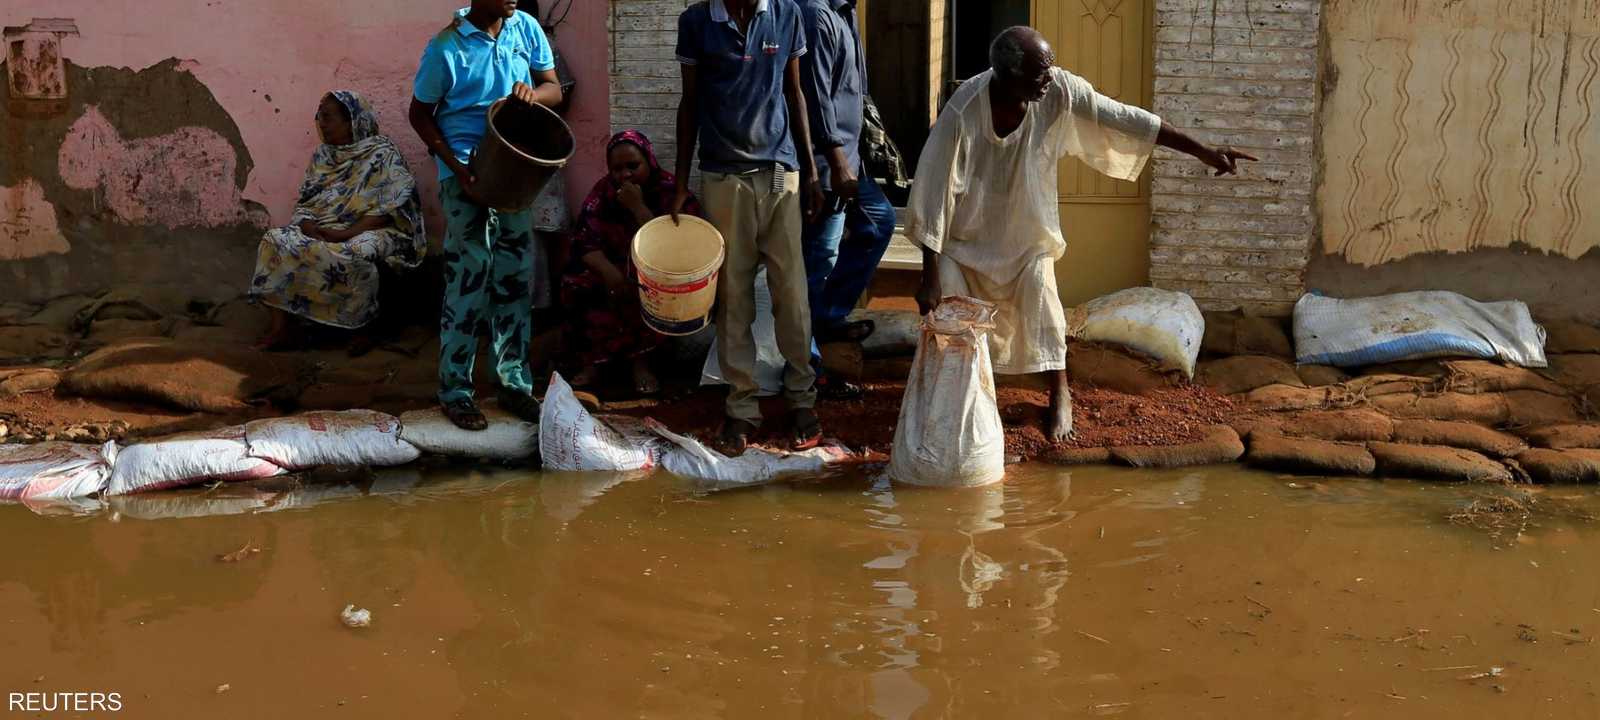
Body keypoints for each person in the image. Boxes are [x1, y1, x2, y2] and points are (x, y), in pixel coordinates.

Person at [906, 26, 1255, 442]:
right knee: (960, 324)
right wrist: (928, 274)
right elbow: (931, 191)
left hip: (1026, 238)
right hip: (964, 243)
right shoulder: (963, 111)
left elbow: (1125, 117)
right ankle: (966, 405)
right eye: (1039, 75)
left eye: (1050, 70)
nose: (1049, 79)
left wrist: (1203, 150)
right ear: (1008, 76)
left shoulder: (1058, 90)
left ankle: (1060, 394)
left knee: (1046, 312)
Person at [673, 0, 828, 454]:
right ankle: (741, 407)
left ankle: (801, 398)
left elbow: (794, 93)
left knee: (792, 295)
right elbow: (691, 103)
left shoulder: (786, 14)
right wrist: (681, 183)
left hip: (782, 176)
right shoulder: (697, 22)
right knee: (733, 297)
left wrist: (812, 172)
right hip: (723, 176)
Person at [409, 0, 563, 431]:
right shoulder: (446, 48)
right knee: (469, 276)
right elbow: (419, 114)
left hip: (515, 170)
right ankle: (455, 392)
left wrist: (533, 94)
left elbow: (554, 87)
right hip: (465, 172)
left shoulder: (525, 28)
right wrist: (458, 170)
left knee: (514, 277)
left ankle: (513, 385)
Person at [250, 91, 426, 354]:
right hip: (326, 226)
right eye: (319, 116)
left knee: (357, 250)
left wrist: (346, 233)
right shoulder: (324, 156)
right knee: (274, 240)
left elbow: (392, 206)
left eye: (329, 117)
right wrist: (309, 225)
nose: (322, 123)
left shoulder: (382, 153)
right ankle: (282, 330)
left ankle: (361, 329)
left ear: (352, 121)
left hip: (374, 228)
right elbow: (308, 200)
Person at [796, 0, 896, 400]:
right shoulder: (816, 14)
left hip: (850, 161)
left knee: (879, 222)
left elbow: (856, 92)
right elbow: (813, 95)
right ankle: (811, 370)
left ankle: (828, 317)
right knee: (818, 261)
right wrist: (834, 163)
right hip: (825, 164)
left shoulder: (846, 11)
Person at [560, 130, 703, 395]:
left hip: (656, 269)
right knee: (578, 282)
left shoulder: (672, 193)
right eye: (617, 169)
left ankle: (641, 363)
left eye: (633, 166)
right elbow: (585, 242)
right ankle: (593, 362)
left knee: (649, 290)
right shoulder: (603, 193)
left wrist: (638, 208)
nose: (624, 175)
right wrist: (611, 274)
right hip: (613, 269)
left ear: (649, 160)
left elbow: (678, 248)